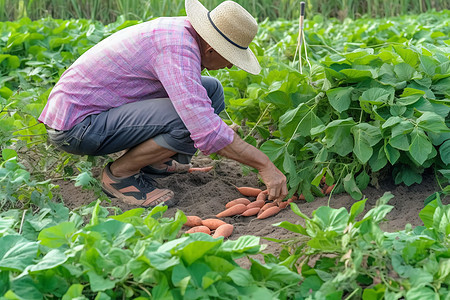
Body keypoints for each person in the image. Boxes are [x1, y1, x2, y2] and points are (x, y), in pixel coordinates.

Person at [39, 0, 288, 208]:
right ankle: (119, 175)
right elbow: (201, 123)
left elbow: (200, 109)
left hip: (101, 113)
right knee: (187, 120)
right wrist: (265, 165)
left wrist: (219, 132)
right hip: (78, 127)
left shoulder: (184, 33)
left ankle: (155, 162)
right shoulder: (176, 47)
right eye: (231, 57)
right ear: (211, 49)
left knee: (211, 89)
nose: (231, 65)